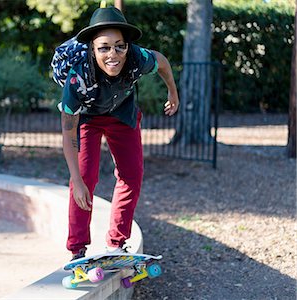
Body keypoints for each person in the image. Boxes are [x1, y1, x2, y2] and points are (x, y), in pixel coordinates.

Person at [52, 6, 179, 260]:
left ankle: (116, 243)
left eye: (119, 46)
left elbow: (162, 62)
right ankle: (77, 249)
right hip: (86, 118)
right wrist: (76, 180)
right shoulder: (77, 78)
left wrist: (172, 92)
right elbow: (68, 134)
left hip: (122, 113)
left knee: (132, 175)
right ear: (92, 49)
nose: (113, 55)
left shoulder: (137, 58)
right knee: (85, 179)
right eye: (104, 48)